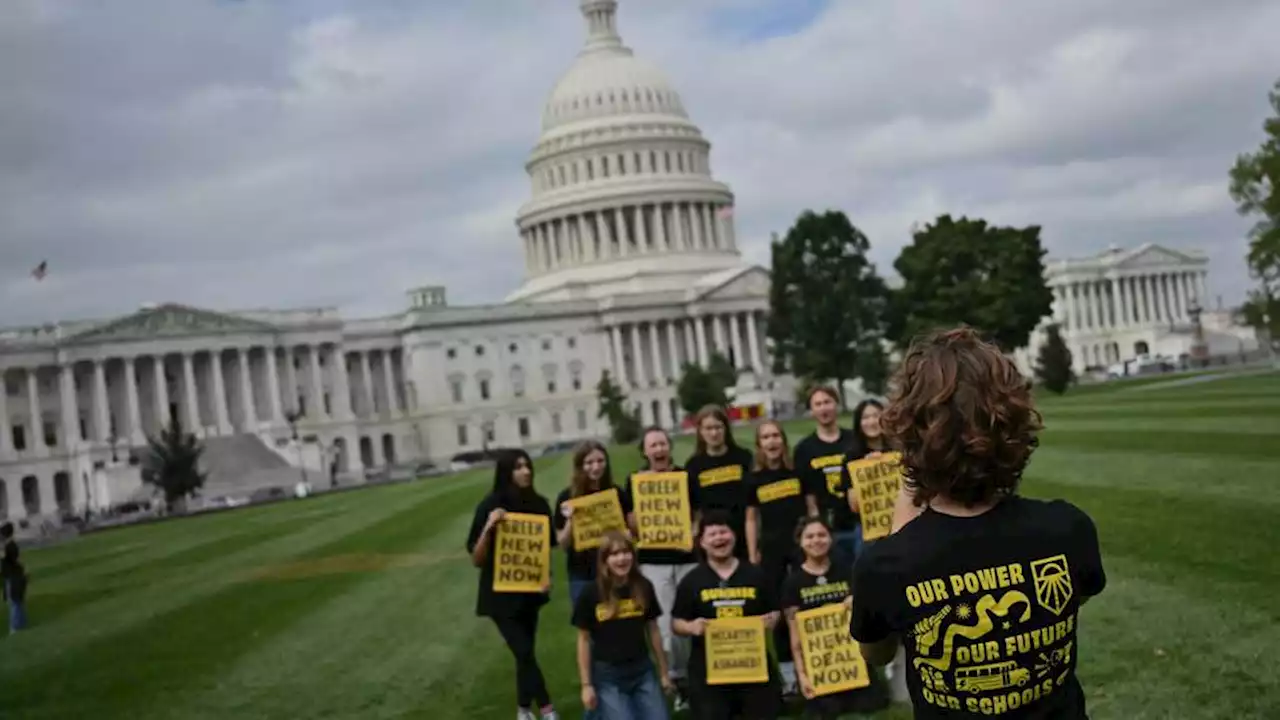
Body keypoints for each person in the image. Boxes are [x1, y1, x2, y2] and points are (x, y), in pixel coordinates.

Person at [850, 327, 1107, 718]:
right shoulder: (1067, 529)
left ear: (909, 435)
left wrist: (911, 471)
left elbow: (877, 652)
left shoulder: (885, 566)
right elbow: (1075, 599)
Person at [465, 450, 561, 720]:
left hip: (529, 593)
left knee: (525, 653)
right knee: (523, 650)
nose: (526, 471)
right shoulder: (490, 504)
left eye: (528, 466)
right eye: (519, 467)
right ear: (507, 472)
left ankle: (522, 710)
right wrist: (490, 527)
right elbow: (476, 558)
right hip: (499, 595)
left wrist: (547, 578)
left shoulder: (539, 504)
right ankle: (547, 708)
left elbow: (545, 550)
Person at [672, 510, 781, 720]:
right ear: (702, 542)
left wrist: (771, 620)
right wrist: (691, 627)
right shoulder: (692, 580)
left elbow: (775, 610)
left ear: (734, 536)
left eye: (724, 532)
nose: (719, 538)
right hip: (709, 669)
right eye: (712, 534)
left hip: (751, 664)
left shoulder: (756, 575)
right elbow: (676, 623)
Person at [781, 517, 889, 719]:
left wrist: (857, 602)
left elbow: (869, 618)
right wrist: (803, 676)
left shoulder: (847, 570)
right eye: (810, 536)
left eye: (822, 535)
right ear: (800, 542)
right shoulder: (792, 583)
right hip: (820, 666)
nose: (816, 541)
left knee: (872, 705)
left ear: (830, 539)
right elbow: (795, 638)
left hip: (852, 659)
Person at [623, 426, 699, 712]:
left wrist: (692, 532)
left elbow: (698, 514)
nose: (658, 450)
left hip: (687, 557)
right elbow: (630, 522)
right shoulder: (636, 483)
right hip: (654, 560)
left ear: (670, 447)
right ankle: (678, 680)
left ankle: (699, 677)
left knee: (694, 619)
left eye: (662, 444)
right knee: (667, 624)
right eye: (652, 445)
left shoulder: (684, 478)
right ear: (645, 451)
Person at [744, 420, 817, 697]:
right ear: (759, 444)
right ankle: (789, 676)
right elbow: (751, 518)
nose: (772, 441)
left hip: (801, 547)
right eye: (766, 437)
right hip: (772, 551)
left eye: (776, 435)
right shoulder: (754, 479)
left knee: (807, 605)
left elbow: (812, 508)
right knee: (779, 610)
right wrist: (752, 554)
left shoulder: (798, 471)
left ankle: (814, 666)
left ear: (783, 440)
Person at [572, 531, 672, 720]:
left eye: (626, 552)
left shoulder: (644, 586)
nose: (622, 558)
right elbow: (583, 640)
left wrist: (664, 671)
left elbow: (653, 630)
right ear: (604, 560)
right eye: (614, 554)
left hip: (642, 669)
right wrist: (587, 686)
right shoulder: (591, 593)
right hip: (608, 675)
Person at [793, 386, 861, 563]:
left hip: (859, 522)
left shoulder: (855, 440)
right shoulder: (804, 449)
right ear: (812, 410)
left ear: (836, 405)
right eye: (818, 404)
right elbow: (808, 495)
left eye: (827, 402)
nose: (823, 408)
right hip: (829, 527)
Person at [555, 440, 624, 608]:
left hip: (614, 570)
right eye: (589, 462)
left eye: (600, 461)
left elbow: (631, 532)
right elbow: (563, 544)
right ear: (579, 465)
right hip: (582, 573)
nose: (596, 467)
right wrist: (571, 519)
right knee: (588, 626)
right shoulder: (566, 497)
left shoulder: (617, 493)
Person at [683, 405, 754, 561]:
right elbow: (694, 508)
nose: (714, 433)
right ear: (700, 432)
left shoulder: (743, 458)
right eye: (708, 428)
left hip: (742, 533)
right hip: (713, 537)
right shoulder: (694, 465)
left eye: (718, 427)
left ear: (726, 429)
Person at [2, 522, 28, 634]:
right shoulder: (13, 545)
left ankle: (14, 627)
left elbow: (7, 562)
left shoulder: (7, 547)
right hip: (18, 575)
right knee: (18, 601)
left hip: (12, 576)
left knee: (13, 602)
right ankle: (22, 623)